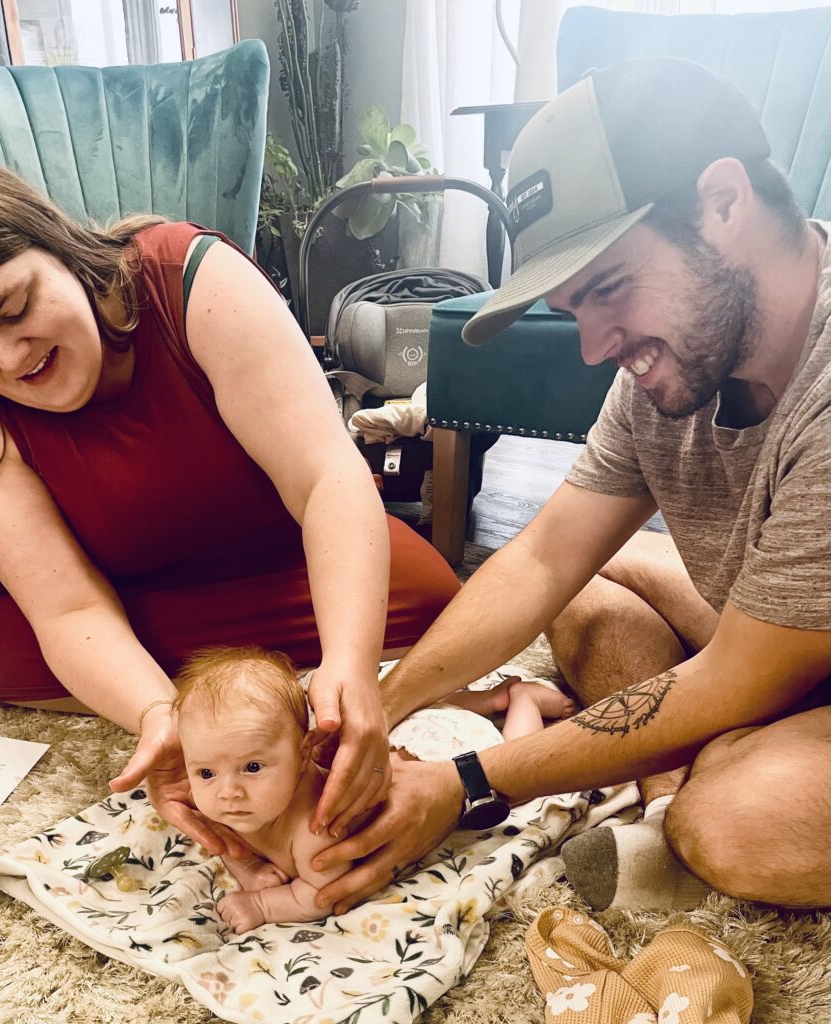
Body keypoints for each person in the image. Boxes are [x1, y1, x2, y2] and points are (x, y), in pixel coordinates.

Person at [306, 57, 831, 916]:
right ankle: (695, 758)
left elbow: (738, 672)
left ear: (724, 201)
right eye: (571, 305)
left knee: (733, 820)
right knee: (584, 595)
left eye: (610, 288)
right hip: (785, 634)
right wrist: (385, 701)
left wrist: (464, 782)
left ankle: (695, 778)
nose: (593, 348)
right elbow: (546, 555)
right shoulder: (670, 368)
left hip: (770, 655)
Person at [0, 144, 461, 857]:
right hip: (119, 592)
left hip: (270, 561)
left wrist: (351, 666)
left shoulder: (190, 279)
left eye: (16, 307)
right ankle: (228, 679)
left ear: (54, 244)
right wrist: (161, 714)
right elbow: (68, 608)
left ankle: (251, 669)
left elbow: (327, 480)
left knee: (429, 600)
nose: (9, 358)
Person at [173, 645, 575, 932]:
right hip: (397, 740)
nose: (227, 792)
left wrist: (260, 903)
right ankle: (489, 698)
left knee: (511, 764)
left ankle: (523, 702)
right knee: (412, 713)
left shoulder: (316, 830)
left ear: (304, 752)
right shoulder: (220, 803)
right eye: (205, 772)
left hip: (442, 751)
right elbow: (226, 844)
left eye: (252, 767)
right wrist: (252, 866)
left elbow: (317, 897)